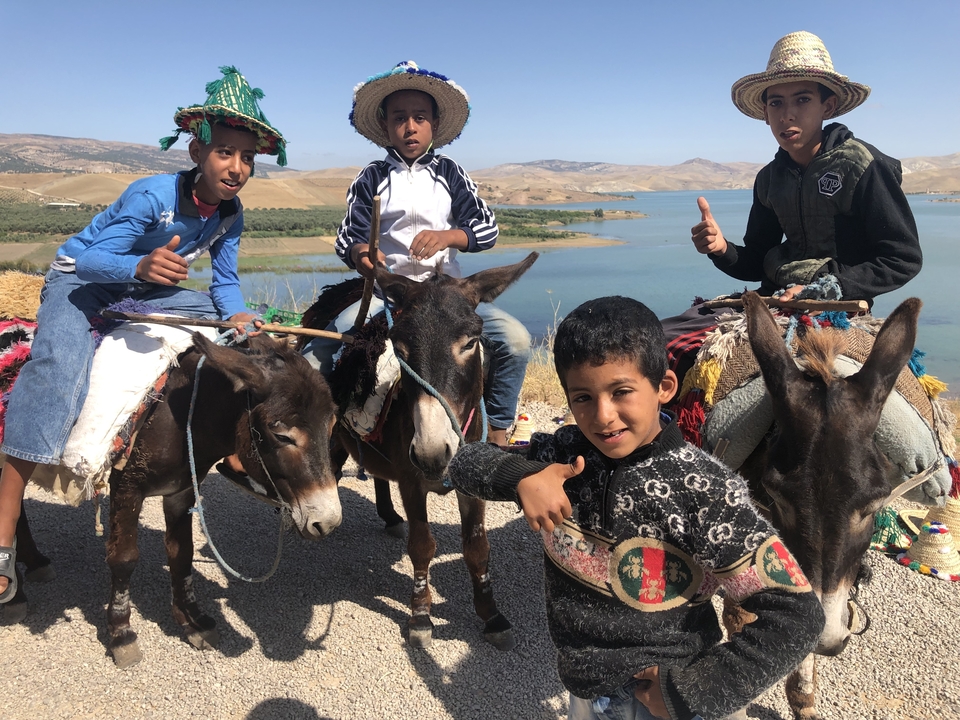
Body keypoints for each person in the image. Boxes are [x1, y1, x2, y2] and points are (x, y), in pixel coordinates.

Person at [448, 297, 824, 720]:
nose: (603, 416)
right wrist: (518, 478)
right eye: (583, 397)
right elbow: (463, 462)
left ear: (664, 387)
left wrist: (694, 690)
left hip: (662, 699)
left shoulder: (702, 492)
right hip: (585, 690)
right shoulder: (562, 456)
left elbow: (798, 613)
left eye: (621, 391)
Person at [0, 66, 286, 602]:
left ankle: (232, 451)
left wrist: (240, 317)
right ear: (197, 152)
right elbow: (82, 258)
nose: (238, 166)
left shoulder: (230, 214)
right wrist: (138, 269)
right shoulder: (151, 195)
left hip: (149, 287)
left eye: (248, 156)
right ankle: (3, 533)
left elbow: (224, 283)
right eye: (225, 151)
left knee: (224, 336)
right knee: (57, 374)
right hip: (79, 285)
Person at [301, 61, 531, 446]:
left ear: (434, 125)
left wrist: (449, 236)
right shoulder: (372, 177)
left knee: (516, 342)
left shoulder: (451, 173)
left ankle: (497, 434)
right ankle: (321, 438)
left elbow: (487, 229)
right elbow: (347, 237)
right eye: (400, 118)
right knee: (328, 346)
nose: (410, 127)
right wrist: (363, 255)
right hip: (387, 295)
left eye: (420, 117)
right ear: (386, 125)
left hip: (447, 296)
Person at [691, 30, 921, 304]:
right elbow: (756, 260)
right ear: (765, 113)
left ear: (828, 106)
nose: (787, 114)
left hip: (837, 307)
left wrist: (824, 289)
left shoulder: (861, 166)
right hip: (774, 299)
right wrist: (720, 248)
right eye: (776, 103)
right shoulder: (770, 179)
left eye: (802, 99)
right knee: (674, 336)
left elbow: (903, 258)